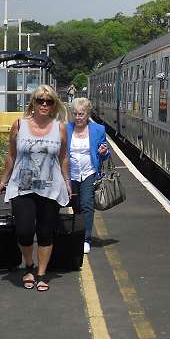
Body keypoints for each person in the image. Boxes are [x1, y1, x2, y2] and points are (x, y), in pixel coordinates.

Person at [0, 85, 71, 292]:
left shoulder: (61, 128)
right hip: (22, 185)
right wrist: (3, 179)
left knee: (46, 231)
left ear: (54, 104)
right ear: (33, 103)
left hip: (51, 186)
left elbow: (63, 157)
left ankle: (41, 273)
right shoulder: (19, 125)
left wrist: (67, 181)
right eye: (40, 100)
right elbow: (12, 155)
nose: (44, 104)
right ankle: (28, 264)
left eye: (49, 101)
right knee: (24, 230)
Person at [67, 98, 110, 254]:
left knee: (86, 204)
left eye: (81, 114)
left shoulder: (98, 129)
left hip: (89, 172)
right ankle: (77, 233)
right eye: (75, 114)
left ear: (88, 114)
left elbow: (105, 151)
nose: (78, 117)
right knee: (76, 205)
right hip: (71, 174)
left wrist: (104, 151)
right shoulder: (66, 128)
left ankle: (85, 239)